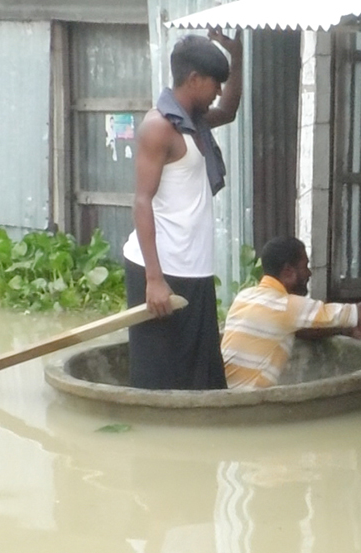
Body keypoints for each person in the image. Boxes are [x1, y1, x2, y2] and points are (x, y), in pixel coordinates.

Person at [122, 29, 243, 390]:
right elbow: (142, 201)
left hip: (195, 267)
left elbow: (231, 110)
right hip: (159, 268)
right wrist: (154, 281)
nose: (219, 91)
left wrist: (236, 57)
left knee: (203, 374)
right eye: (214, 83)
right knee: (156, 377)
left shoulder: (195, 123)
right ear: (193, 79)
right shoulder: (159, 127)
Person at [221, 237, 361, 389]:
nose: (309, 272)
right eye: (304, 266)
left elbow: (302, 331)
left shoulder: (245, 296)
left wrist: (343, 329)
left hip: (228, 394)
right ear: (288, 272)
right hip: (251, 403)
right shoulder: (286, 305)